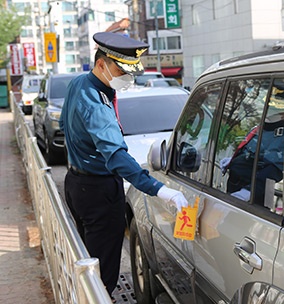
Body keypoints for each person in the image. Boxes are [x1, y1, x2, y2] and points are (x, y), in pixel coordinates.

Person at [59, 32, 188, 296]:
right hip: (99, 192)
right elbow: (116, 157)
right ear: (101, 65)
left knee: (88, 260)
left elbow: (64, 126)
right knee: (102, 274)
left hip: (76, 184)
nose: (127, 78)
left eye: (130, 72)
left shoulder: (79, 84)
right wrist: (160, 189)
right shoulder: (97, 104)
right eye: (121, 70)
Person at [221, 96, 284, 204]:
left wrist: (248, 191)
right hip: (235, 190)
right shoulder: (260, 128)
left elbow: (274, 168)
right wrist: (233, 160)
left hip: (254, 198)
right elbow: (253, 152)